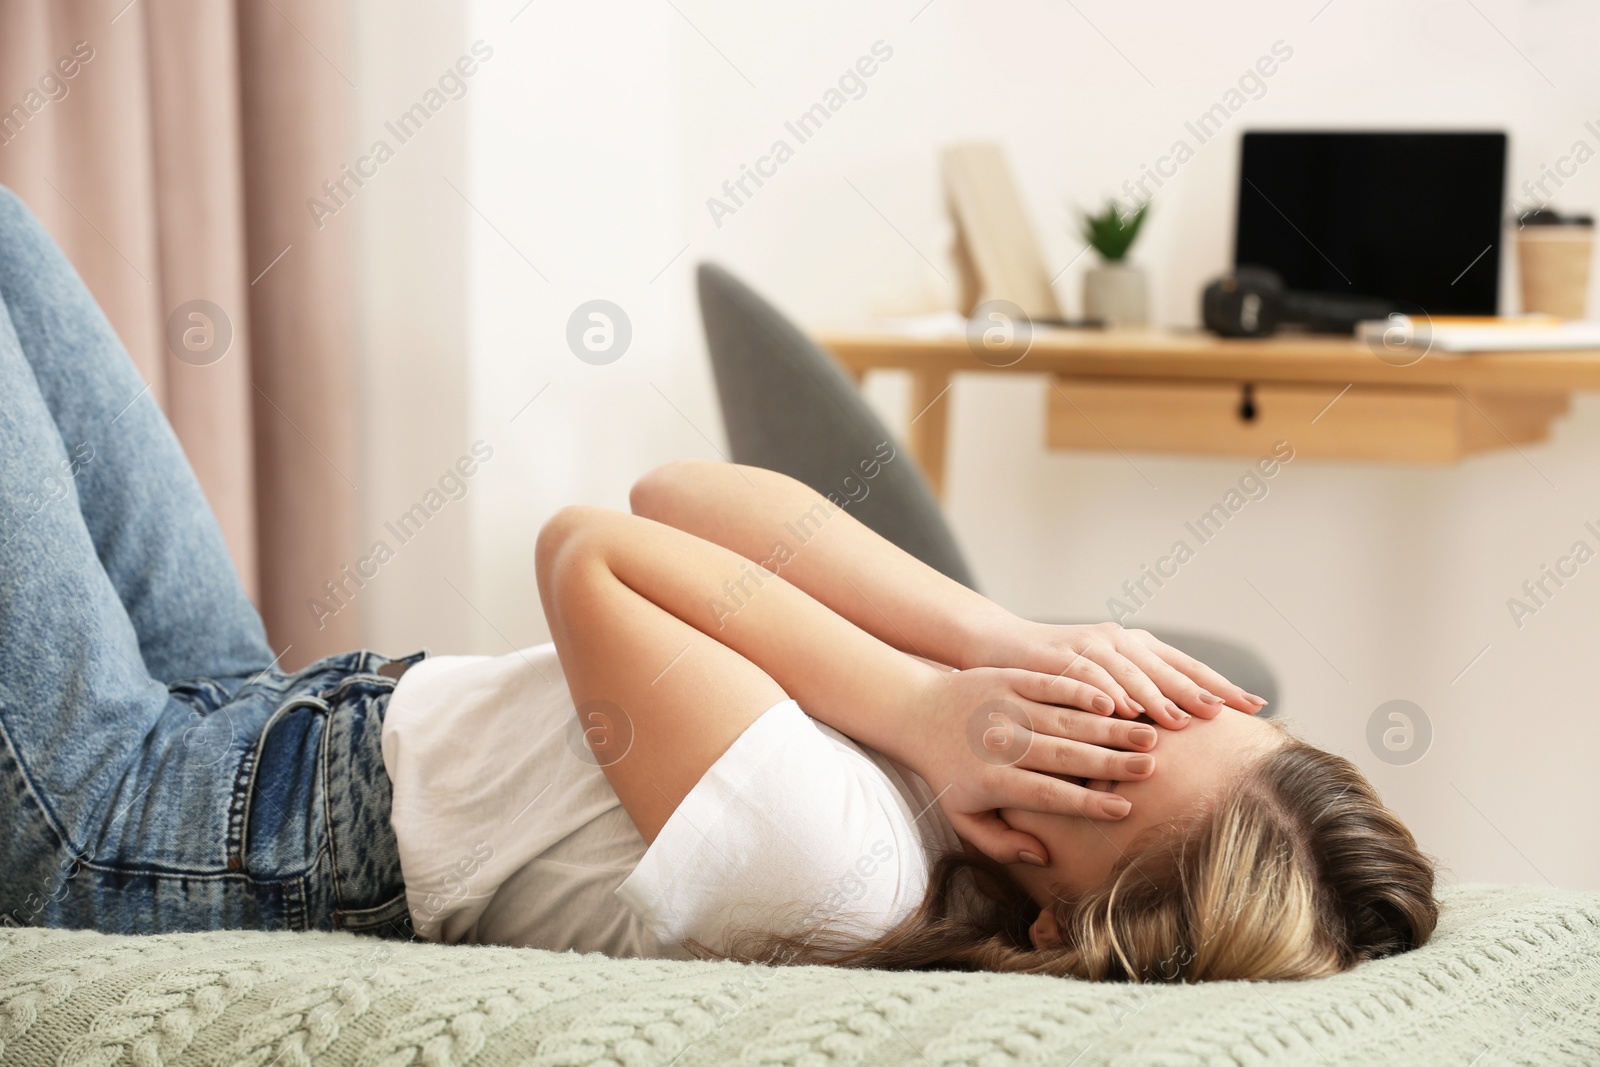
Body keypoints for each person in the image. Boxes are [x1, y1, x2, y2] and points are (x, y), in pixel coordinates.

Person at [0, 186, 1436, 980]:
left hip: (138, 825)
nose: (1120, 701)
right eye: (1192, 705)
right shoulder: (965, 739)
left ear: (1058, 923)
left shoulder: (846, 869)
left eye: (1122, 761)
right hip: (254, 726)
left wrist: (935, 698)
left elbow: (593, 549)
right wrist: (1012, 632)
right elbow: (685, 496)